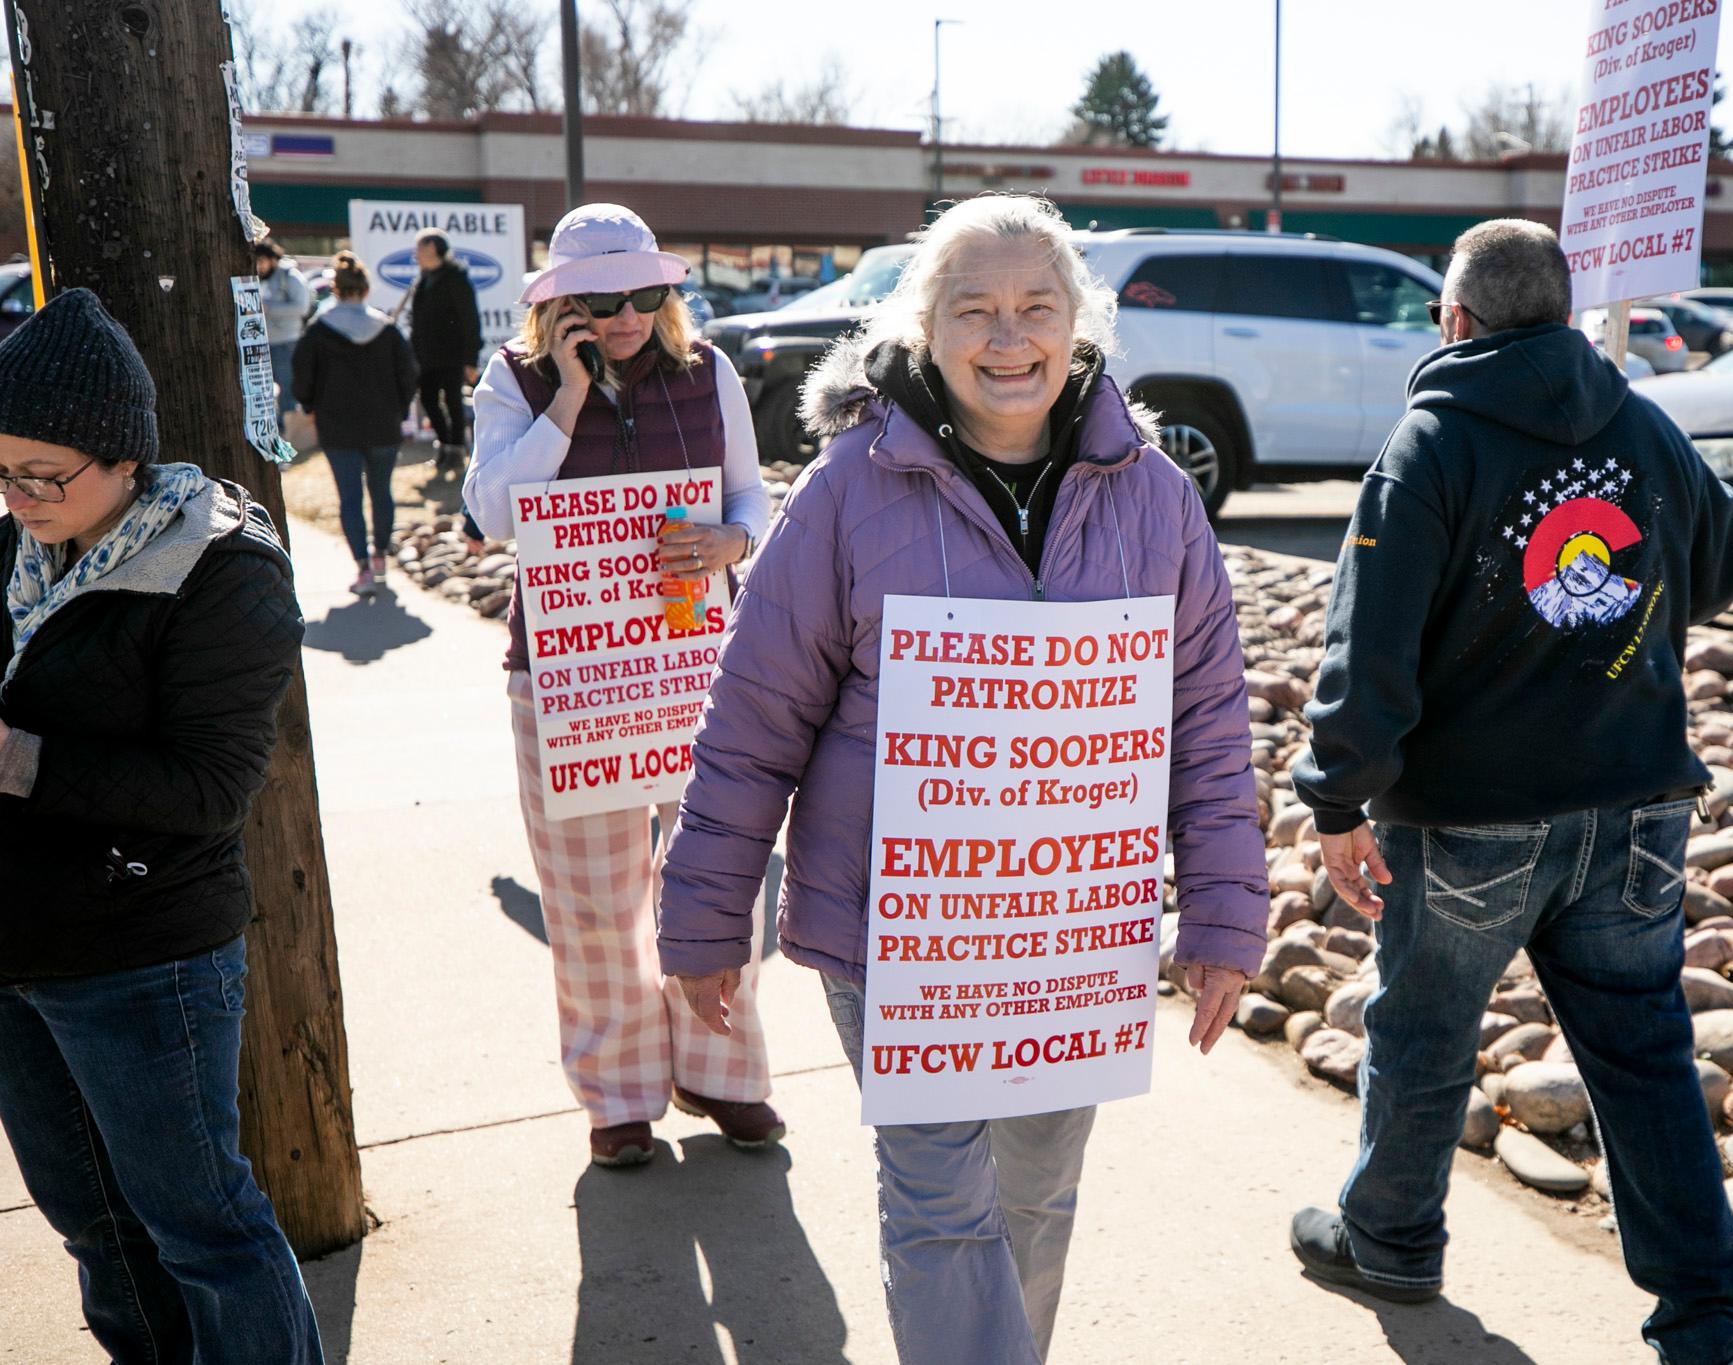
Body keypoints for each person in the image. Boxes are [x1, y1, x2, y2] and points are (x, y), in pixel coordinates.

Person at [655, 193, 1268, 1365]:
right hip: (896, 932)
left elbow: (1204, 724)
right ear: (923, 328)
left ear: (1077, 325)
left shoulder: (1158, 500)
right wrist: (702, 918)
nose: (1006, 338)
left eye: (1035, 308)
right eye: (972, 310)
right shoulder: (844, 491)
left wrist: (1224, 916)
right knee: (941, 1212)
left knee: (1034, 1198)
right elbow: (754, 719)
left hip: (1068, 934)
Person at [1286, 219, 1733, 1365]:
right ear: (1555, 316)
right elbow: (1727, 554)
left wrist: (1337, 799)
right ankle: (1702, 1320)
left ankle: (1389, 1237)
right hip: (1635, 805)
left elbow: (1370, 645)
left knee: (1422, 1035)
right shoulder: (1642, 425)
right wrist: (1618, 631)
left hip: (1469, 818)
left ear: (1452, 320)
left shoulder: (1430, 442)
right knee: (1641, 1057)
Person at [0, 289, 322, 1363]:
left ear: (123, 454)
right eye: (1, 471)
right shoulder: (16, 548)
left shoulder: (221, 568)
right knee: (93, 1226)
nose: (18, 498)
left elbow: (208, 788)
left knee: (203, 1229)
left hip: (144, 953)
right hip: (17, 946)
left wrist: (17, 761)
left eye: (42, 475)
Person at [463, 202, 784, 1167]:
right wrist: (566, 395)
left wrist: (733, 540)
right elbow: (492, 516)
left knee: (717, 874)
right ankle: (618, 1095)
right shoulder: (514, 381)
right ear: (560, 306)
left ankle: (722, 1070)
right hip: (565, 673)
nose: (630, 313)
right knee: (592, 901)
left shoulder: (709, 371)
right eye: (603, 300)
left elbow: (749, 496)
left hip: (693, 658)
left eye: (647, 291)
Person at [294, 249, 420, 596]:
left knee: (349, 497)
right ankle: (380, 555)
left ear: (335, 290)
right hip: (383, 425)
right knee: (382, 491)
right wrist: (398, 407)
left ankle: (363, 568)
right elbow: (409, 377)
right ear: (365, 290)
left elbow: (302, 376)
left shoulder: (318, 332)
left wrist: (309, 405)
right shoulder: (388, 330)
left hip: (338, 427)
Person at [408, 228, 483, 479]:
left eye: (419, 248)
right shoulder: (423, 279)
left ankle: (456, 450)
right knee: (428, 399)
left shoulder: (455, 277)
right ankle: (444, 442)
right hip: (427, 355)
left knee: (453, 401)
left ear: (432, 248)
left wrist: (470, 358)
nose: (415, 254)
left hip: (453, 354)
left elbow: (469, 319)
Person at [253, 239, 313, 415]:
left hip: (287, 342)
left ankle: (288, 427)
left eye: (261, 261)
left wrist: (269, 308)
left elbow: (302, 308)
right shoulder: (260, 279)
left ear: (272, 259)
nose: (259, 266)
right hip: (263, 342)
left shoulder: (291, 277)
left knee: (287, 389)